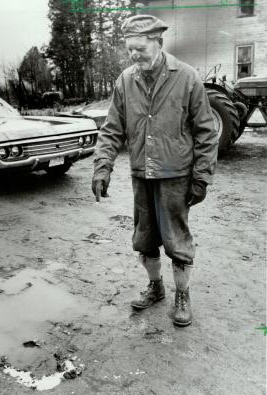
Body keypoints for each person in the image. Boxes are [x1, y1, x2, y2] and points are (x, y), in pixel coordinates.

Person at [92, 14, 218, 327]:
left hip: (176, 177)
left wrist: (201, 177)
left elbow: (205, 131)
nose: (135, 56)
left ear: (158, 43)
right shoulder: (125, 81)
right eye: (130, 50)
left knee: (176, 241)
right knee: (145, 239)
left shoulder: (186, 77)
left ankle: (182, 294)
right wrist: (102, 167)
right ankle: (156, 287)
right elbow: (111, 129)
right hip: (141, 175)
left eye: (140, 49)